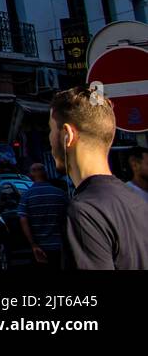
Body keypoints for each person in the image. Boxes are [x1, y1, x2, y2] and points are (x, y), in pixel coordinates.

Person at [50, 84, 148, 269]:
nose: (50, 140)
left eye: (51, 130)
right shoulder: (138, 200)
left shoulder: (83, 211)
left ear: (68, 135)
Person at [19, 161, 68, 269]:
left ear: (30, 176)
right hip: (59, 245)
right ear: (46, 174)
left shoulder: (26, 196)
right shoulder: (60, 193)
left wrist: (33, 244)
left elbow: (23, 220)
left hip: (38, 247)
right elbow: (69, 217)